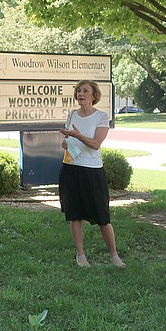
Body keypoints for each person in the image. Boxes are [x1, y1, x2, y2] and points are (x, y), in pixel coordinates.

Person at [58, 80, 125, 268]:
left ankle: (114, 255)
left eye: (85, 91)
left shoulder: (101, 117)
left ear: (94, 96)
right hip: (71, 168)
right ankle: (80, 255)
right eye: (78, 90)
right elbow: (69, 141)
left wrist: (78, 136)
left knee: (102, 215)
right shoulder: (71, 115)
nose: (81, 93)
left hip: (93, 171)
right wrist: (66, 143)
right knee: (75, 213)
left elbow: (96, 144)